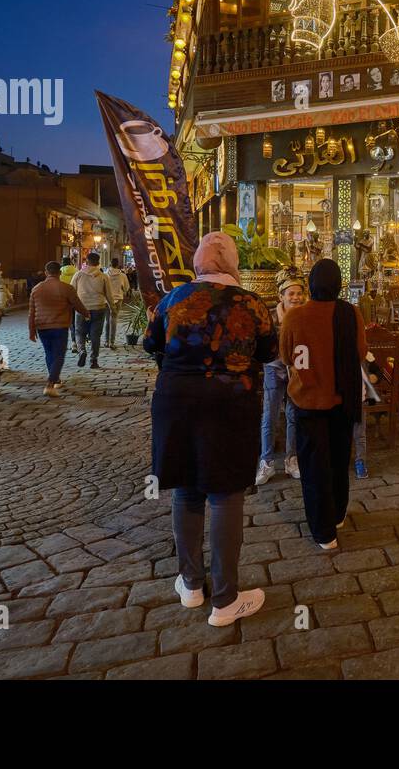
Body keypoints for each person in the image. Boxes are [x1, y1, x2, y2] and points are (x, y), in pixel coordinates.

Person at [144, 231, 275, 627]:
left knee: (186, 489)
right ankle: (225, 599)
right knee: (224, 494)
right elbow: (269, 352)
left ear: (199, 265)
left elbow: (151, 344)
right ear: (232, 265)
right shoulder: (252, 304)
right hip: (230, 405)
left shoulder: (172, 300)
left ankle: (191, 583)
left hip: (176, 402)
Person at [280, 259, 367, 550]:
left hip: (308, 402)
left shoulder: (295, 317)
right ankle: (338, 514)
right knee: (339, 460)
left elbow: (285, 356)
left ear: (311, 284)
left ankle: (324, 532)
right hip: (342, 401)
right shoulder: (350, 313)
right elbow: (361, 352)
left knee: (314, 467)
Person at [257, 268, 305, 486]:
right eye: (291, 294)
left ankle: (291, 458)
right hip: (274, 369)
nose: (295, 298)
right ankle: (266, 461)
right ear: (281, 296)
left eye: (298, 293)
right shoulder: (270, 317)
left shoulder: (305, 315)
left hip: (296, 370)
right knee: (270, 416)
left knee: (293, 415)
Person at [29, 260, 90, 397]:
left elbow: (31, 312)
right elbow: (77, 304)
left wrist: (31, 330)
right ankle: (50, 384)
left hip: (42, 326)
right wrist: (86, 314)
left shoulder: (37, 288)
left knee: (49, 353)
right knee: (59, 355)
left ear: (46, 273)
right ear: (60, 273)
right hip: (59, 326)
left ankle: (55, 378)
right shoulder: (66, 288)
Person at [71, 252, 113, 369]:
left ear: (87, 262)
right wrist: (113, 308)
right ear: (98, 262)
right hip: (99, 308)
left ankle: (82, 351)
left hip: (81, 308)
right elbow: (109, 294)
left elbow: (72, 291)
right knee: (95, 335)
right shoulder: (104, 276)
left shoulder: (78, 275)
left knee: (80, 332)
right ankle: (93, 360)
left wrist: (71, 305)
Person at [103, 257, 130, 350]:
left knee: (107, 321)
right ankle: (112, 342)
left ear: (110, 264)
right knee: (114, 320)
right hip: (118, 299)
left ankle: (106, 341)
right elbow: (126, 288)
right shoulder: (122, 275)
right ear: (118, 264)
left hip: (107, 300)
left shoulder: (105, 274)